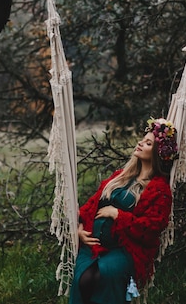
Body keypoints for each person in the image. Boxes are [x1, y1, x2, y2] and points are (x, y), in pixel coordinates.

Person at [69, 117, 177, 304]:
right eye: (142, 140)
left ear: (158, 153)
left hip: (124, 249)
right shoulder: (120, 176)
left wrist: (117, 215)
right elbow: (89, 207)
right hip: (93, 246)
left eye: (148, 143)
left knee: (105, 276)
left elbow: (151, 228)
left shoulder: (159, 189)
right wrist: (79, 230)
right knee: (83, 279)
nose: (140, 143)